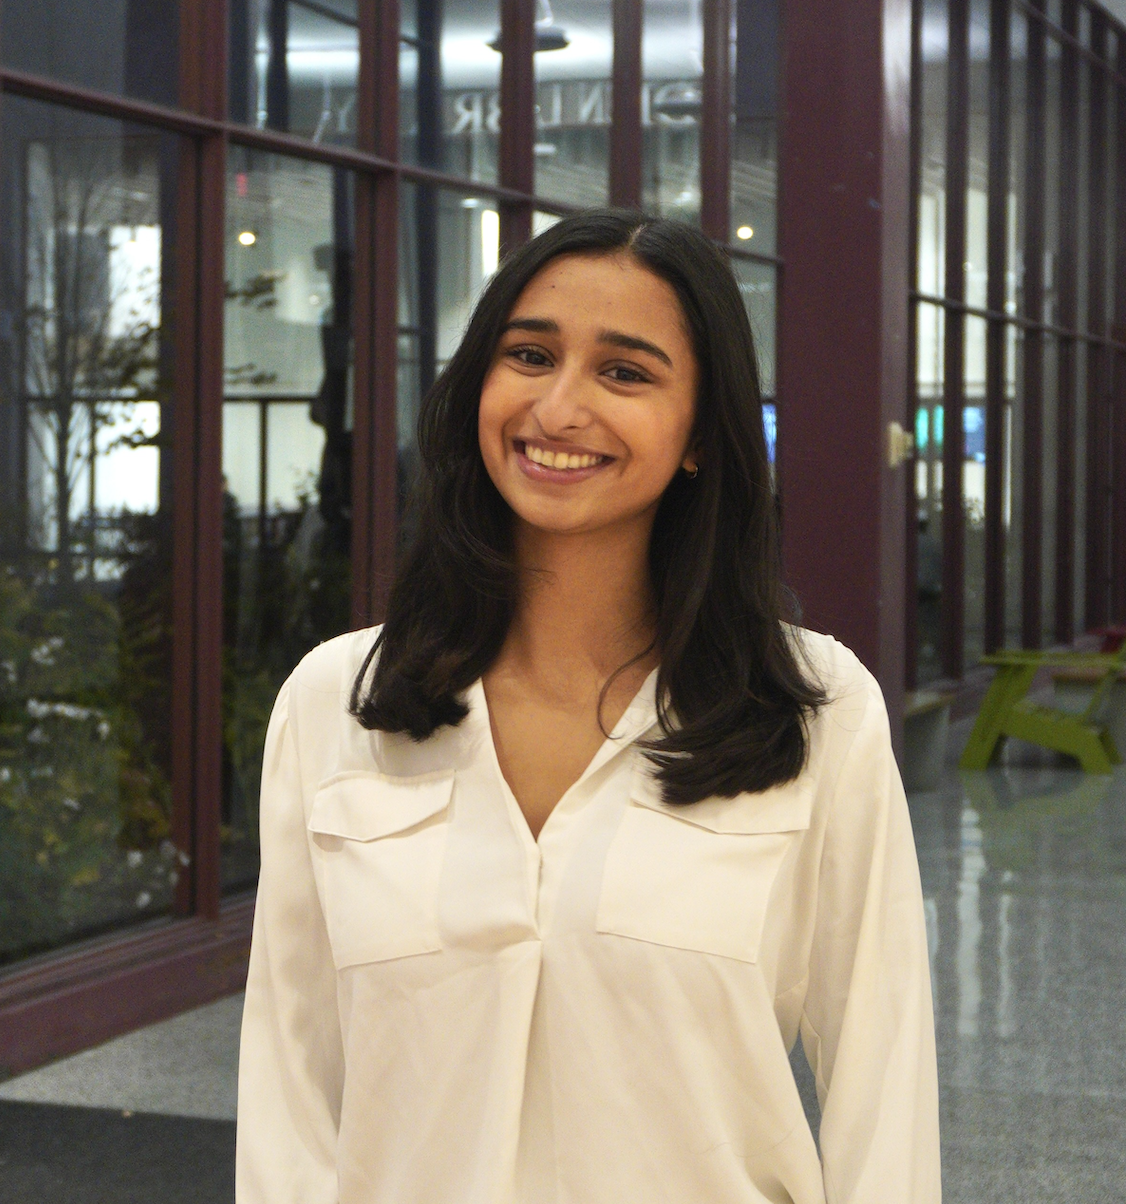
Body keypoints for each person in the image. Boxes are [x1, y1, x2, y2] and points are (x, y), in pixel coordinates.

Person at [236, 209, 941, 1203]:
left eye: (624, 371)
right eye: (529, 354)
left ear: (700, 432)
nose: (559, 407)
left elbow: (883, 1080)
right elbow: (288, 1085)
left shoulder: (817, 711)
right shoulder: (337, 702)